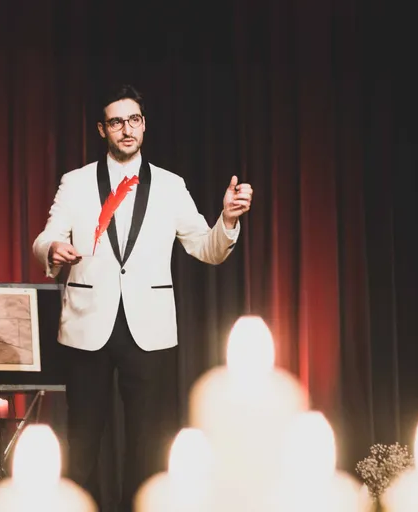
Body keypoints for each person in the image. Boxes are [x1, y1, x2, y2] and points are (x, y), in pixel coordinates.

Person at [31, 84, 253, 511]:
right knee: (81, 445)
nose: (126, 129)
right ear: (102, 129)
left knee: (148, 446)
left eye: (134, 120)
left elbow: (205, 248)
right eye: (116, 122)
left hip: (148, 329)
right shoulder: (75, 183)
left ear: (144, 125)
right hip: (86, 327)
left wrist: (226, 220)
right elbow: (47, 235)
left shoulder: (171, 186)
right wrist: (51, 249)